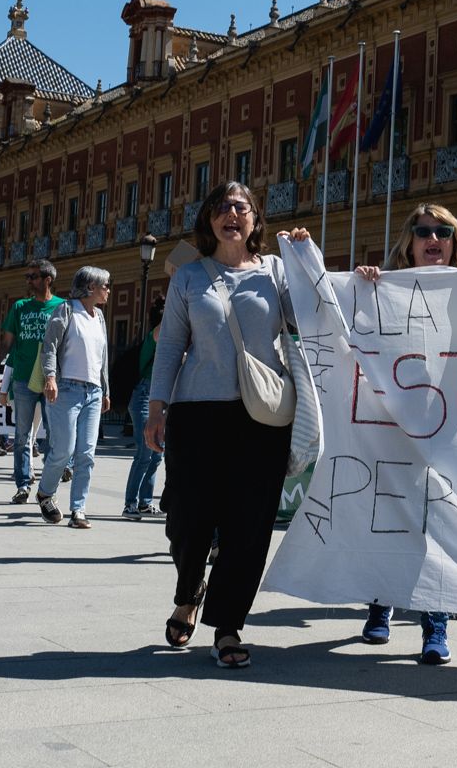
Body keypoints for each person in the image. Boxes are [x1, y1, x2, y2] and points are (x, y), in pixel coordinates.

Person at [145, 183, 302, 670]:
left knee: (249, 528)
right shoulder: (189, 278)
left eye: (241, 207)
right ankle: (189, 590)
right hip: (196, 414)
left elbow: (316, 320)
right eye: (221, 207)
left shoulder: (277, 272)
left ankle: (229, 625)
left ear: (256, 220)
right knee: (186, 520)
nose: (231, 214)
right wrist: (157, 408)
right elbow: (170, 345)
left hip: (262, 417)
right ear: (209, 220)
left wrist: (305, 258)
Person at [354, 203, 457, 665]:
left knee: (440, 526)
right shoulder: (382, 288)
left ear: (456, 242)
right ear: (408, 243)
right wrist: (365, 289)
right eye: (424, 231)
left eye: (444, 231)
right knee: (391, 519)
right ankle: (380, 604)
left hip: (448, 425)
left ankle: (437, 624)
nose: (434, 238)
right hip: (393, 423)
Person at [36, 266, 111, 529]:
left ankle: (78, 510)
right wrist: (50, 377)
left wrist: (105, 389)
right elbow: (50, 346)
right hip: (66, 388)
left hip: (93, 392)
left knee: (86, 454)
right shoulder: (66, 310)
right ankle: (45, 493)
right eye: (105, 286)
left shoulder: (99, 317)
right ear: (90, 287)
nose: (108, 291)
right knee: (64, 450)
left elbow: (102, 358)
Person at [0, 259, 64, 503]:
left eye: (33, 277)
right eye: (27, 277)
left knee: (54, 434)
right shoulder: (20, 307)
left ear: (47, 279)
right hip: (22, 379)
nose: (28, 281)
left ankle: (47, 487)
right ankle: (22, 484)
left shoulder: (62, 307)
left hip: (52, 380)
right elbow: (7, 342)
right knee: (22, 435)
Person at [124, 295, 166, 520]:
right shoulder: (155, 336)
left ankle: (145, 502)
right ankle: (129, 503)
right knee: (144, 452)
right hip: (142, 397)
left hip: (158, 399)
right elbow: (165, 326)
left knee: (157, 455)